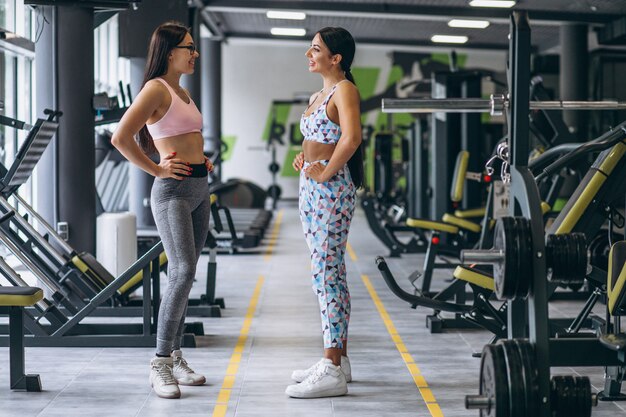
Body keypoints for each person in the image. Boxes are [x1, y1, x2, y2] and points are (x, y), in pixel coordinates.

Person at [111, 21, 213, 399]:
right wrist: (156, 168)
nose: (195, 53)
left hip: (200, 187)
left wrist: (202, 160)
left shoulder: (181, 91)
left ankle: (175, 355)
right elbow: (120, 137)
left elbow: (184, 138)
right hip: (172, 192)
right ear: (170, 52)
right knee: (182, 271)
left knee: (186, 277)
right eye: (189, 47)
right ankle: (159, 362)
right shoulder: (155, 88)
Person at [287, 27, 364, 399]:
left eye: (316, 49)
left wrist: (326, 170)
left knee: (326, 272)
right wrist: (307, 157)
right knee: (325, 271)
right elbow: (322, 139)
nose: (308, 53)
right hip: (312, 187)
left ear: (336, 58)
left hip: (330, 190)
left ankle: (332, 365)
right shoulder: (320, 93)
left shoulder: (344, 89)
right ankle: (340, 360)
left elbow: (351, 138)